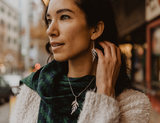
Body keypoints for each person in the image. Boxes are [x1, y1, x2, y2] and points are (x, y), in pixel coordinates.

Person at [10, 0, 151, 123]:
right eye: (49, 20)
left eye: (64, 17)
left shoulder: (132, 104)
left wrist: (105, 93)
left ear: (95, 29)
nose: (50, 30)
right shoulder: (34, 89)